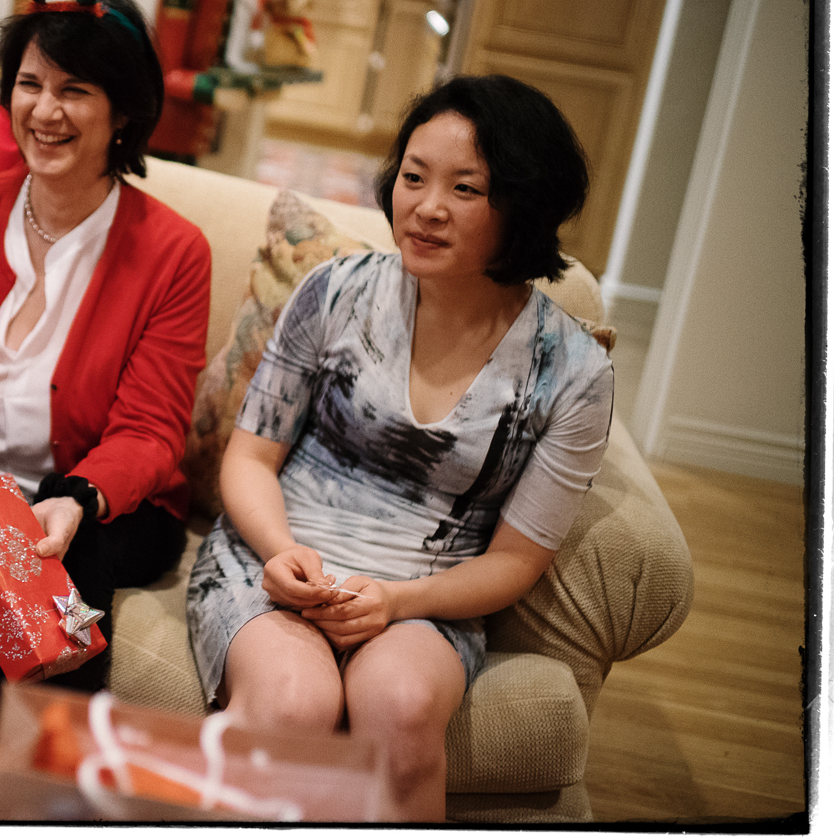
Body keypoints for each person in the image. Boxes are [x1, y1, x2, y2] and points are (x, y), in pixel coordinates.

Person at [185, 75, 614, 821]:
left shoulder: (572, 371)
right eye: (413, 177)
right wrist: (282, 551)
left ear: (523, 205)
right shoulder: (336, 290)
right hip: (277, 558)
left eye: (465, 188)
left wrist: (396, 601)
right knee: (293, 703)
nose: (427, 207)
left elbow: (515, 560)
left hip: (427, 593)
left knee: (404, 706)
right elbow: (250, 458)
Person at [0, 0, 213, 736]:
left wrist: (80, 497)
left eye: (75, 90)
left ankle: (31, 781)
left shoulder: (174, 252)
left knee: (65, 547)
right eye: (29, 84)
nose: (45, 111)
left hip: (100, 504)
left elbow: (152, 429)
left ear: (123, 112)